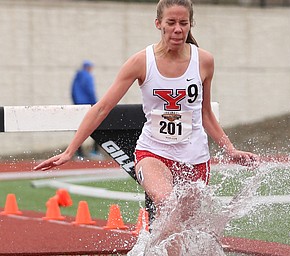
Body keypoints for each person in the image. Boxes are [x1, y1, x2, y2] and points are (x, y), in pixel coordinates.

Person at [35, 0, 259, 254]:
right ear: (158, 24)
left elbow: (205, 113)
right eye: (171, 23)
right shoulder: (141, 62)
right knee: (168, 204)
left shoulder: (204, 61)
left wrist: (230, 149)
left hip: (195, 158)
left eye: (183, 23)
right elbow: (101, 108)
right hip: (153, 153)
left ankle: (148, 251)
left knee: (182, 228)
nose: (177, 29)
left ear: (190, 25)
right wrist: (69, 150)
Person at [71, 60, 102, 160]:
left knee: (79, 129)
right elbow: (90, 91)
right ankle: (94, 150)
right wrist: (95, 103)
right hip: (88, 105)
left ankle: (78, 152)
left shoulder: (77, 77)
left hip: (78, 106)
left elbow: (72, 92)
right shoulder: (88, 77)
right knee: (96, 126)